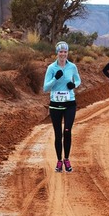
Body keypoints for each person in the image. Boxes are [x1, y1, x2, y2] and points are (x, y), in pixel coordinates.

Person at [43, 41, 81, 173]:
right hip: (55, 104)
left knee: (67, 131)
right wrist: (55, 79)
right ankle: (59, 161)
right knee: (58, 134)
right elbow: (45, 88)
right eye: (61, 51)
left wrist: (74, 85)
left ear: (67, 53)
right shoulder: (51, 68)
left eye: (65, 51)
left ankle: (67, 159)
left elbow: (78, 79)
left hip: (70, 103)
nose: (63, 54)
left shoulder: (72, 67)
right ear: (57, 53)